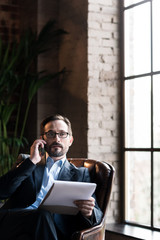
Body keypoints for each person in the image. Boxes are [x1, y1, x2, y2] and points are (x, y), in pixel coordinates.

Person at [0, 114, 102, 240]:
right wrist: (32, 161)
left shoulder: (80, 174)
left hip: (51, 229)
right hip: (15, 222)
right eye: (51, 134)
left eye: (62, 134)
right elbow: (2, 192)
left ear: (70, 140)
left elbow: (97, 213)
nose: (57, 139)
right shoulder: (27, 162)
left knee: (43, 216)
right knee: (41, 215)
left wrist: (89, 212)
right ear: (42, 139)